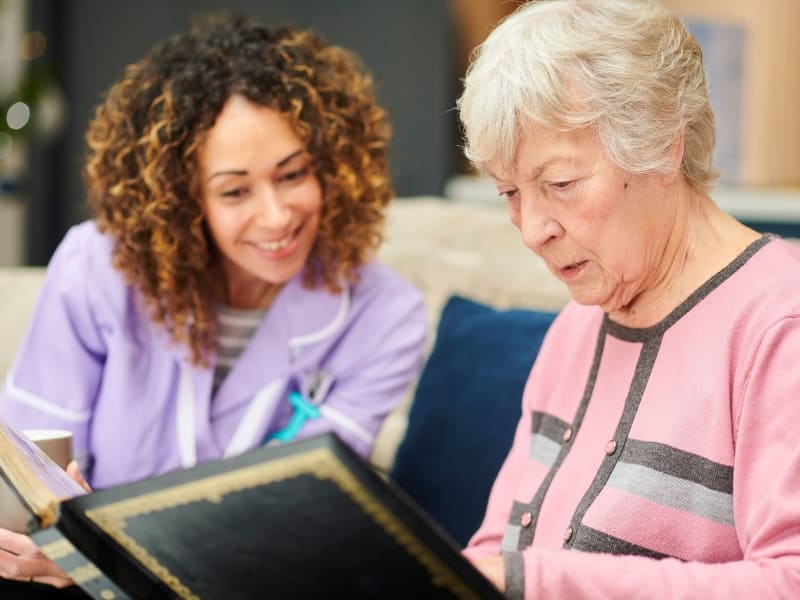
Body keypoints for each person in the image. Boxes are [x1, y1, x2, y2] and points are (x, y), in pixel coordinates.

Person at [0, 12, 426, 589]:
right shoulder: (95, 268)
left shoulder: (386, 317)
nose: (276, 216)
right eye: (234, 190)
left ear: (333, 166)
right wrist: (54, 536)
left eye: (293, 174)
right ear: (183, 198)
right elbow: (36, 450)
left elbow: (302, 516)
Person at [456, 0, 800, 598]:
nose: (533, 228)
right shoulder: (576, 327)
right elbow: (497, 551)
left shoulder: (778, 324)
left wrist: (536, 582)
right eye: (510, 191)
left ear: (664, 143)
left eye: (560, 184)